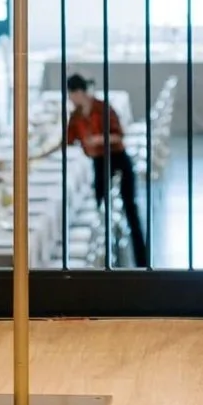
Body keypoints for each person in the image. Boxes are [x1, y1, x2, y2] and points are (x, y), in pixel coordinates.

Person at [64, 74, 149, 268]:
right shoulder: (76, 116)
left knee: (131, 211)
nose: (70, 99)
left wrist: (97, 140)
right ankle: (108, 261)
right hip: (99, 165)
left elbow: (119, 135)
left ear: (79, 93)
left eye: (70, 95)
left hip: (118, 160)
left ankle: (142, 261)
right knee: (101, 211)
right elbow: (67, 140)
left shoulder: (102, 108)